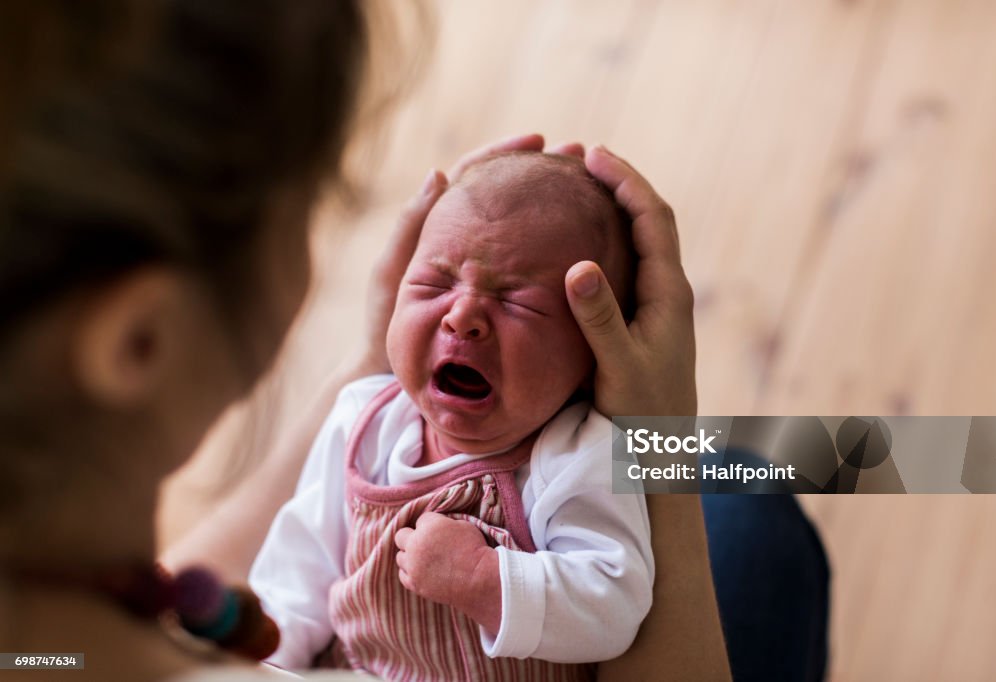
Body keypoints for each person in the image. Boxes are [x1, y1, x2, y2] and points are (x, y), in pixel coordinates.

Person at [1, 1, 826, 681]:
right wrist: (660, 449)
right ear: (140, 339)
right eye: (309, 205)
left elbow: (246, 585)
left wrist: (372, 362)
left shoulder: (44, 640)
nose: (461, 316)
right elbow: (300, 562)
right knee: (746, 500)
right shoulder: (396, 435)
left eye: (520, 305)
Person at [250, 152, 653, 677]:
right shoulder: (363, 423)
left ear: (593, 353)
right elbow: (295, 576)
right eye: (434, 285)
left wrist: (485, 578)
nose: (462, 317)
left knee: (752, 482)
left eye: (519, 302)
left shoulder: (581, 453)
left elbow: (615, 606)